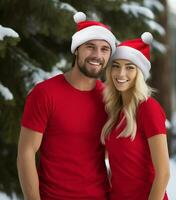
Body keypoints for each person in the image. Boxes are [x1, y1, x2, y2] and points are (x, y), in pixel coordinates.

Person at [17, 11, 116, 200]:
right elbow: (26, 153)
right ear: (76, 49)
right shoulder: (45, 93)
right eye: (90, 47)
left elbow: (118, 157)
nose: (97, 55)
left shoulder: (109, 100)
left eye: (104, 49)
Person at [101, 32, 170, 200]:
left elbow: (163, 173)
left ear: (140, 73)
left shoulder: (148, 108)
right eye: (116, 66)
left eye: (129, 67)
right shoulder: (114, 111)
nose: (121, 73)